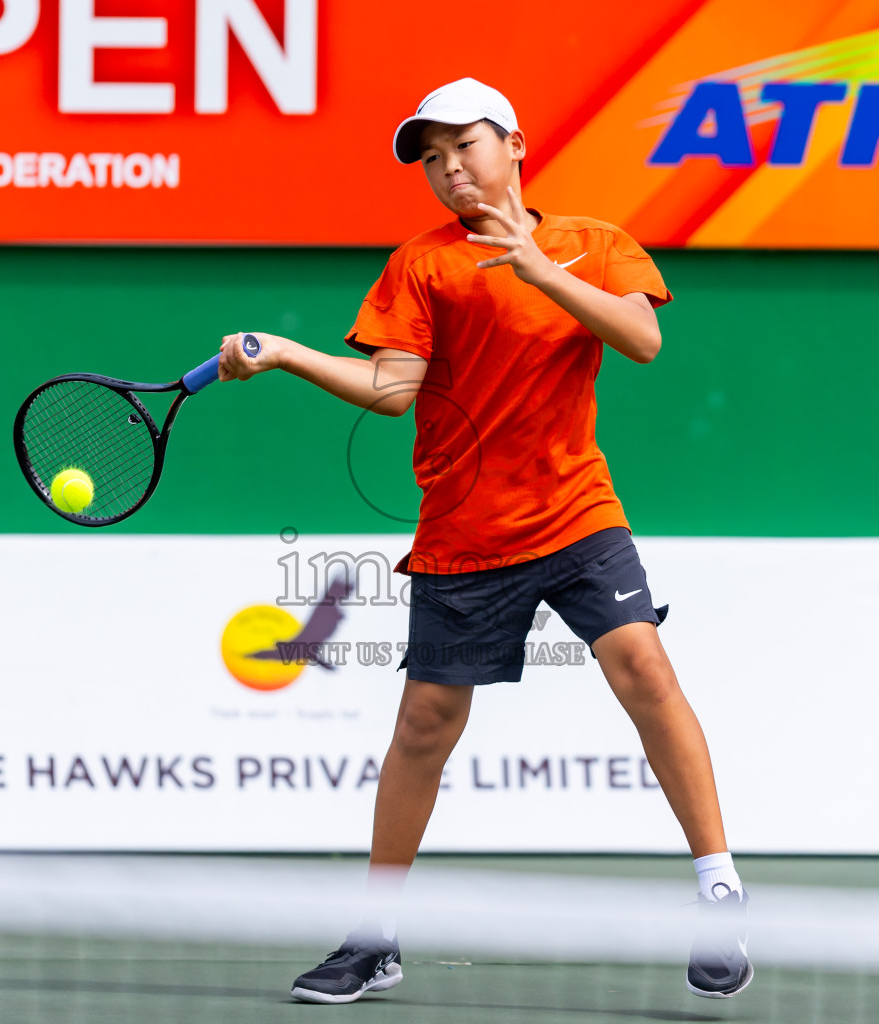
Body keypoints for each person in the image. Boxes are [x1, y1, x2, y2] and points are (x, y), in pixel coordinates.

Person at [215, 77, 751, 1005]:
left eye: (463, 145)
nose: (449, 168)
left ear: (514, 142)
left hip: (578, 514)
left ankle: (721, 895)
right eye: (430, 158)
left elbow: (643, 339)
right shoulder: (421, 265)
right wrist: (292, 353)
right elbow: (394, 389)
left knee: (644, 669)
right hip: (464, 531)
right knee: (425, 725)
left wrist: (541, 267)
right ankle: (375, 936)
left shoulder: (593, 243)